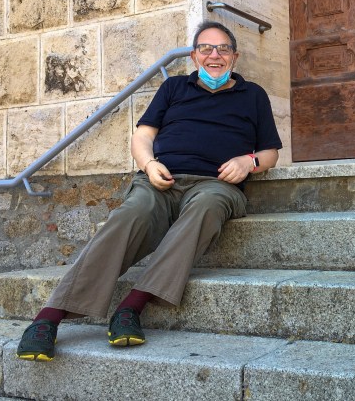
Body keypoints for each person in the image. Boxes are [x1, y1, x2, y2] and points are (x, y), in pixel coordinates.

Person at [16, 21, 282, 361]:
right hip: (161, 180)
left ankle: (130, 307)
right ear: (194, 55)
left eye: (223, 49)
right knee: (131, 213)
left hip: (218, 185)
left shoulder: (253, 95)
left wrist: (249, 162)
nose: (214, 55)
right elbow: (142, 136)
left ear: (235, 56)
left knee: (206, 206)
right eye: (206, 48)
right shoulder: (173, 88)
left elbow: (271, 153)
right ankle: (48, 318)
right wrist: (149, 165)